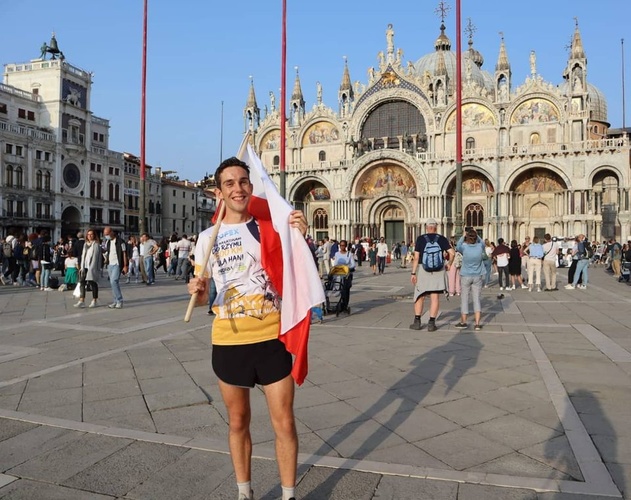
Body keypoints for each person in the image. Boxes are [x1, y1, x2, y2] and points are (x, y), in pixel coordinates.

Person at [187, 156, 308, 500]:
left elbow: (298, 268)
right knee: (238, 422)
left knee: (283, 421)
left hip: (272, 337)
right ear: (218, 192)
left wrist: (299, 231)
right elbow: (202, 297)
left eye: (243, 182)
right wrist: (195, 291)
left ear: (251, 188)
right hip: (229, 341)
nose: (237, 188)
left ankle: (288, 495)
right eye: (229, 183)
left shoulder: (271, 228)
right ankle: (244, 492)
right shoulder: (207, 238)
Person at [409, 218, 454, 332]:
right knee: (435, 297)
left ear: (426, 227)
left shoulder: (420, 239)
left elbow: (416, 258)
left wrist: (413, 273)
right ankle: (431, 324)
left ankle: (417, 322)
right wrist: (449, 264)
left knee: (420, 296)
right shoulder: (442, 238)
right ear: (436, 227)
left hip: (424, 270)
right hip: (439, 271)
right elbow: (452, 253)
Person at [455, 228, 485, 331]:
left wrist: (464, 235)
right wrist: (476, 233)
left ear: (467, 238)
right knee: (476, 299)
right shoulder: (480, 247)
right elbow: (482, 242)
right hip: (477, 275)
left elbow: (457, 245)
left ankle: (464, 322)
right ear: (476, 237)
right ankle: (477, 324)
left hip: (466, 275)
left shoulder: (464, 247)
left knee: (465, 299)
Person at [74, 229, 102, 308]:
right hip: (84, 266)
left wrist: (93, 268)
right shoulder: (85, 244)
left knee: (92, 283)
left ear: (94, 235)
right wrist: (81, 266)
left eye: (91, 234)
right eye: (88, 234)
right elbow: (83, 255)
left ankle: (94, 300)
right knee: (82, 282)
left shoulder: (96, 245)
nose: (89, 236)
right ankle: (81, 300)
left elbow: (95, 257)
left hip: (91, 267)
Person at [103, 226, 128, 308]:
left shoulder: (121, 241)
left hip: (117, 264)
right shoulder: (108, 242)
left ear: (111, 232)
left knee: (114, 281)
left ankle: (119, 300)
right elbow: (108, 252)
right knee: (112, 283)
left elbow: (124, 253)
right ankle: (115, 300)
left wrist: (125, 265)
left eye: (107, 234)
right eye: (105, 234)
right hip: (110, 264)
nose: (106, 236)